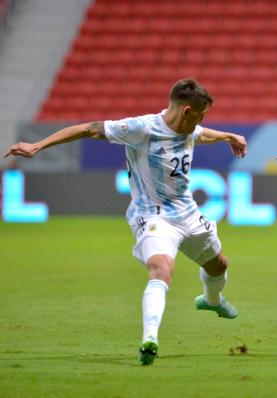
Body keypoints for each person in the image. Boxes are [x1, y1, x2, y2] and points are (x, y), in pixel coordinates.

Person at [4, 79, 247, 366]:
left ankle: (212, 301)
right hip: (153, 216)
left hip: (188, 213)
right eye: (201, 114)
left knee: (219, 265)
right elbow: (87, 128)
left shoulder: (188, 127)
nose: (202, 120)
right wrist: (37, 145)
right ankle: (150, 339)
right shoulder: (140, 129)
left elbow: (201, 134)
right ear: (186, 110)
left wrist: (228, 136)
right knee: (161, 269)